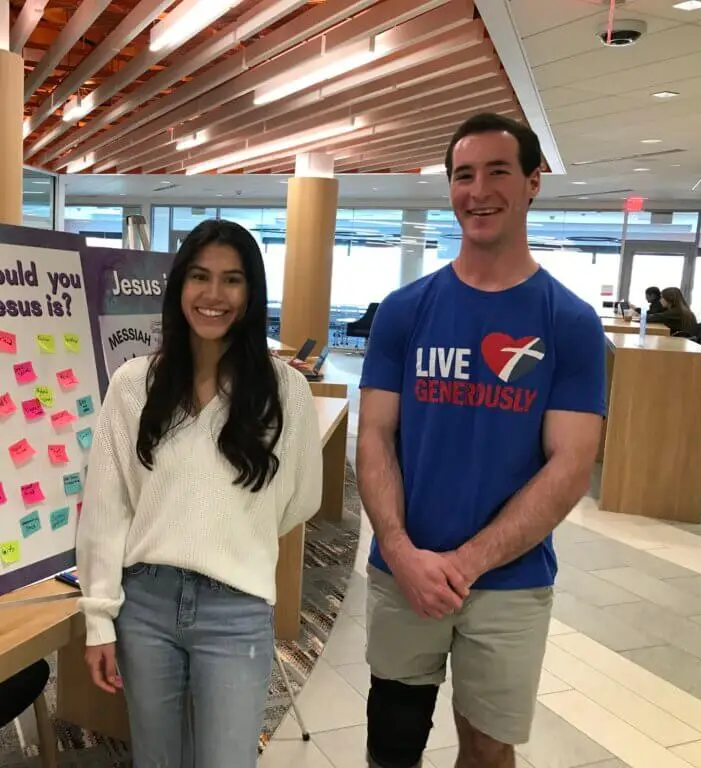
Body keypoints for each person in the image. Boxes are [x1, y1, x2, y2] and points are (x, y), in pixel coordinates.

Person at [357, 112, 605, 768]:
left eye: (498, 171)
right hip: (404, 570)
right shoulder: (405, 311)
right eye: (464, 175)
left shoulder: (569, 324)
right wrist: (401, 550)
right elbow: (376, 436)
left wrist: (464, 564)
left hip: (510, 581)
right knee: (392, 741)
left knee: (489, 749)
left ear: (532, 184)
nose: (479, 189)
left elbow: (571, 465)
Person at [76, 219, 323, 768]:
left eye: (232, 280)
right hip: (145, 606)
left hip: (237, 612)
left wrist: (234, 534)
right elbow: (105, 509)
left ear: (252, 292)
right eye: (200, 277)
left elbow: (300, 499)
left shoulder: (287, 394)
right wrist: (98, 618)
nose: (214, 296)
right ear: (179, 287)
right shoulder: (133, 384)